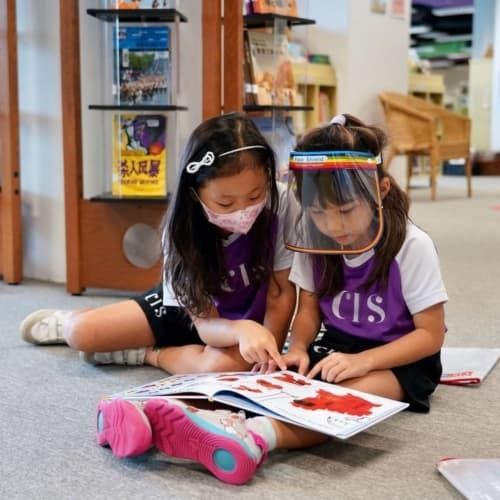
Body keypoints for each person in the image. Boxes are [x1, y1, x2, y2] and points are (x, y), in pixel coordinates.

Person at [94, 113, 448, 485]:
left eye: (345, 211)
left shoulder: (412, 245)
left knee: (334, 398)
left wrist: (365, 361)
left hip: (403, 360)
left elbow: (430, 335)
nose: (334, 226)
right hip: (338, 346)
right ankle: (154, 413)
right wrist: (298, 346)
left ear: (382, 190)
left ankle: (257, 437)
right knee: (277, 382)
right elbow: (309, 307)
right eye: (319, 213)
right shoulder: (313, 236)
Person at [20, 112, 296, 376]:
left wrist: (271, 348)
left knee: (226, 367)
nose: (242, 210)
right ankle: (137, 348)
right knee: (80, 334)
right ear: (194, 193)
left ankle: (143, 353)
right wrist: (238, 330)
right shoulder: (180, 231)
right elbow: (204, 323)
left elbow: (280, 291)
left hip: (247, 325)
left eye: (254, 196)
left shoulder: (282, 204)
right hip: (193, 313)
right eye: (225, 203)